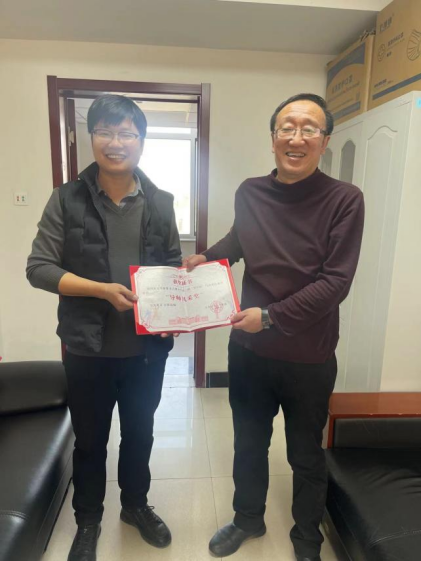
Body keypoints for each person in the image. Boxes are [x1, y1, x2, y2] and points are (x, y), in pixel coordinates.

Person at [184, 93, 364, 561]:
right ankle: (248, 518)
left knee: (305, 454)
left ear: (325, 140)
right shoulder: (250, 191)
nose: (296, 137)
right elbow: (239, 239)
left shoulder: (345, 199)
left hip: (309, 355)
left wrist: (270, 317)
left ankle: (306, 536)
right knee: (248, 444)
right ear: (273, 138)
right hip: (249, 352)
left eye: (309, 128)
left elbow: (336, 282)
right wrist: (208, 258)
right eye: (287, 127)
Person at [27, 95, 181, 561]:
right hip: (86, 350)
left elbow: (172, 267)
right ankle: (88, 521)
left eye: (127, 133)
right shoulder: (66, 199)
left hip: (146, 352)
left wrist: (182, 309)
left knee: (140, 433)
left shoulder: (161, 202)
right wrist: (100, 290)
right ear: (91, 136)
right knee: (90, 441)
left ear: (141, 140)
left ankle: (135, 506)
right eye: (106, 132)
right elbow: (39, 268)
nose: (116, 143)